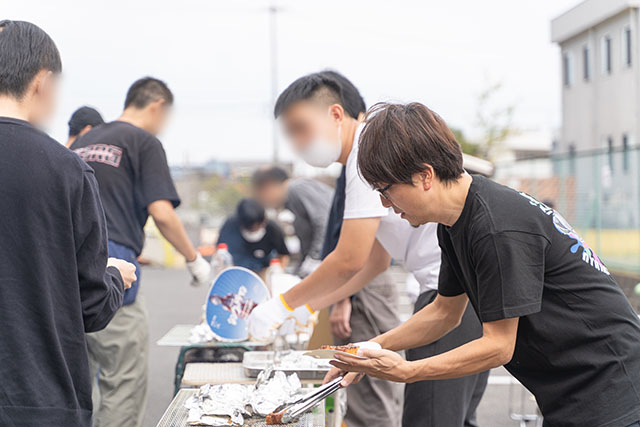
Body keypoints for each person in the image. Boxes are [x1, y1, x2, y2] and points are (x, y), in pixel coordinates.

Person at [325, 102, 640, 427]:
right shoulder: (454, 222)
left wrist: (408, 372)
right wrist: (369, 348)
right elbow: (444, 313)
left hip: (611, 385)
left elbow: (498, 346)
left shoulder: (495, 226)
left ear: (425, 176)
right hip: (575, 387)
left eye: (386, 191)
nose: (385, 205)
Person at [0, 20, 136, 426]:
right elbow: (91, 306)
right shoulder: (65, 169)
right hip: (40, 401)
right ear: (42, 83)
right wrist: (114, 275)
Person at [248, 71, 403, 427]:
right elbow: (376, 260)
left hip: (448, 288)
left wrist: (285, 304)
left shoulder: (366, 151)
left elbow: (350, 257)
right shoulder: (356, 160)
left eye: (302, 128)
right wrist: (312, 304)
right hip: (440, 287)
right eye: (291, 135)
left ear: (335, 114)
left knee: (386, 401)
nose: (298, 143)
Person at [70, 77, 211, 427]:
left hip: (68, 274)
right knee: (122, 381)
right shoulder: (143, 142)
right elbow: (161, 212)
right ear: (158, 106)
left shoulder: (84, 141)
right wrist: (194, 260)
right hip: (115, 274)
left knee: (77, 387)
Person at [252, 166, 333, 277]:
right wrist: (298, 272)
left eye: (262, 196)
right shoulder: (289, 203)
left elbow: (324, 222)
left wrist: (315, 258)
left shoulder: (298, 189)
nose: (265, 201)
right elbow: (307, 244)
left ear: (269, 187)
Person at [217, 198, 290, 273]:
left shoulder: (273, 229)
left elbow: (283, 255)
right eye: (251, 229)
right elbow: (220, 252)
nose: (255, 230)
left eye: (258, 226)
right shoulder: (230, 225)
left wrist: (279, 272)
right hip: (238, 271)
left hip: (264, 270)